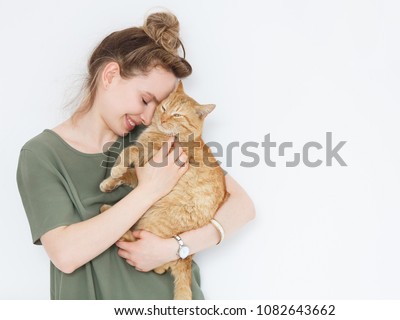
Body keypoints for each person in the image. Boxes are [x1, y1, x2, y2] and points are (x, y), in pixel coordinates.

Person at [16, 11, 255, 300]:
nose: (148, 117)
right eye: (145, 100)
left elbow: (242, 206)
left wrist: (175, 247)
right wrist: (149, 190)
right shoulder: (42, 154)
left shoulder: (157, 138)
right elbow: (66, 254)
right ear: (111, 75)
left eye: (158, 106)